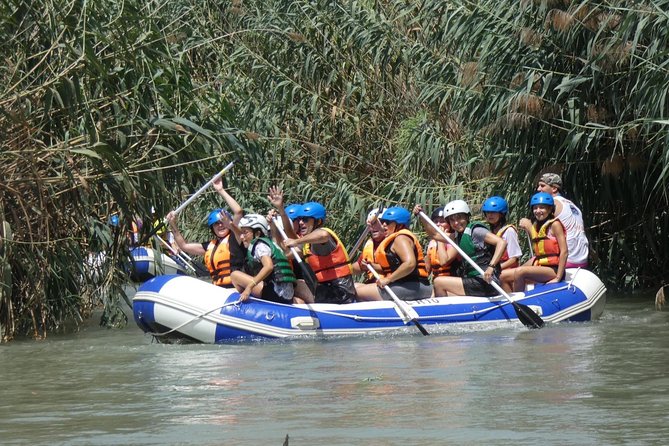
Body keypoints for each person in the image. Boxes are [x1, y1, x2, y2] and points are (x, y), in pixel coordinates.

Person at [166, 177, 244, 288]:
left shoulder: (235, 238)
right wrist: (173, 224)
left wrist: (221, 190)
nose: (220, 225)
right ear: (212, 228)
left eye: (222, 222)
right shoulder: (209, 246)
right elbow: (184, 246)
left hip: (235, 289)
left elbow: (238, 212)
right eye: (216, 224)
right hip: (219, 289)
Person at [429, 200, 507, 297]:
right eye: (452, 220)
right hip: (474, 281)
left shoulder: (476, 231)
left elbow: (501, 242)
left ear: (466, 217)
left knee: (438, 282)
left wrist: (491, 267)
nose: (456, 223)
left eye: (459, 218)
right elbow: (434, 235)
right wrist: (420, 215)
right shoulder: (458, 235)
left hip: (487, 282)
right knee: (445, 293)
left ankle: (444, 311)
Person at [283, 202, 357, 304]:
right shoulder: (307, 245)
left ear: (318, 221)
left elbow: (323, 235)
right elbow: (286, 254)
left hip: (340, 292)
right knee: (297, 282)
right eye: (299, 219)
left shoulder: (323, 238)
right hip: (327, 289)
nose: (300, 223)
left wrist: (296, 241)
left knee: (298, 285)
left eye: (305, 219)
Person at [355, 206, 432, 301]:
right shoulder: (394, 240)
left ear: (399, 225)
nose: (383, 225)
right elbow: (394, 267)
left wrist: (388, 279)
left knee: (357, 292)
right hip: (404, 285)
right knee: (355, 286)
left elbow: (410, 264)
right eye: (382, 222)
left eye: (387, 223)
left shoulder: (401, 238)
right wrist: (372, 266)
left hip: (414, 286)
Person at [229, 214, 296, 303]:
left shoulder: (259, 246)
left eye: (245, 232)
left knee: (235, 275)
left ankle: (247, 301)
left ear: (257, 233)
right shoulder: (269, 243)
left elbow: (269, 266)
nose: (242, 237)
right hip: (285, 294)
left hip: (275, 293)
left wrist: (249, 287)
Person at [513, 192, 568, 291]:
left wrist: (558, 277)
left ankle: (517, 302)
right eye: (535, 208)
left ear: (550, 209)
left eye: (542, 207)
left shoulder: (555, 225)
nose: (538, 211)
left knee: (519, 271)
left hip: (554, 269)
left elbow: (564, 252)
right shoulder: (537, 225)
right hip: (541, 264)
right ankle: (507, 300)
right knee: (506, 275)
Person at [536, 173, 589, 268]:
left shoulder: (552, 204)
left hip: (567, 259)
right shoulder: (572, 205)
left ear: (554, 189)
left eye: (542, 186)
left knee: (518, 272)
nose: (538, 189)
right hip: (582, 259)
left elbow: (538, 235)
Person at [481, 196, 522, 292]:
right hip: (494, 270)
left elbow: (514, 259)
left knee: (501, 276)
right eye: (487, 212)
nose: (490, 215)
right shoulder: (488, 232)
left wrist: (494, 268)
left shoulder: (509, 231)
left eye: (493, 212)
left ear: (502, 214)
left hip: (507, 271)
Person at [351, 208, 386, 285]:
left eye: (376, 223)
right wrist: (341, 269)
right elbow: (359, 266)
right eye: (371, 224)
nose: (373, 227)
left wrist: (372, 266)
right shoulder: (371, 244)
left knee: (355, 287)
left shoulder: (392, 242)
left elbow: (394, 269)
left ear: (385, 224)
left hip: (388, 283)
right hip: (374, 283)